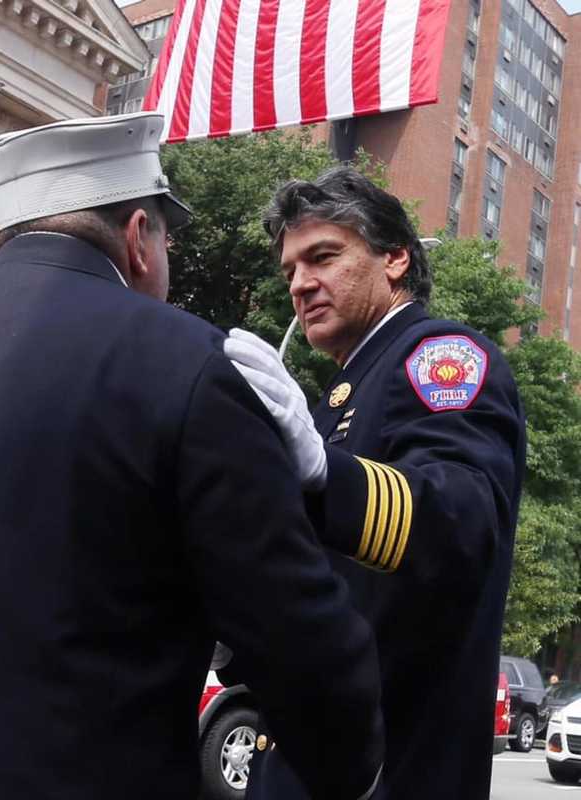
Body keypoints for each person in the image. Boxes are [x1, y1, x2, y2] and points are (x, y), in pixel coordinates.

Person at [0, 117, 385, 800]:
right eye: (170, 238)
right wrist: (351, 762)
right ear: (140, 237)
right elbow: (299, 642)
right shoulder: (185, 365)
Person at [224, 167, 526, 800]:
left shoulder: (437, 355)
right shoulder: (345, 389)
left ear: (395, 259)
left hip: (394, 769)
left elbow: (464, 523)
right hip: (318, 756)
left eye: (323, 257)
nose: (302, 284)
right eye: (290, 272)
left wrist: (323, 472)